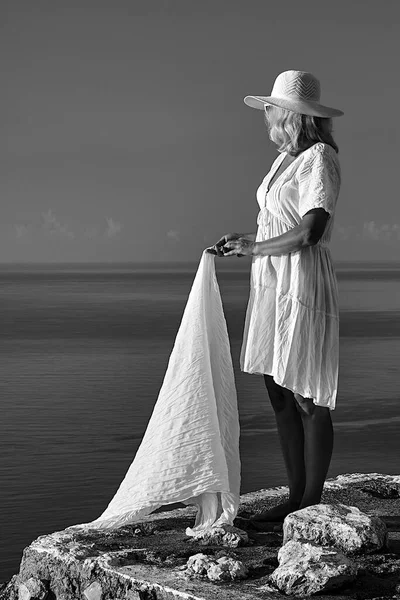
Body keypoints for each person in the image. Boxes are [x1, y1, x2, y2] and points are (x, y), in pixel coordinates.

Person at [208, 70, 343, 525]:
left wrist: (254, 248)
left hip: (302, 281)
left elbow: (310, 231)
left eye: (271, 108)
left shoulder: (319, 158)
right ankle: (294, 497)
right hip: (271, 280)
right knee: (278, 389)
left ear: (290, 114)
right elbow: (278, 223)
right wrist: (245, 239)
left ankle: (312, 501)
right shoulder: (284, 159)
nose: (266, 116)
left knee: (306, 393)